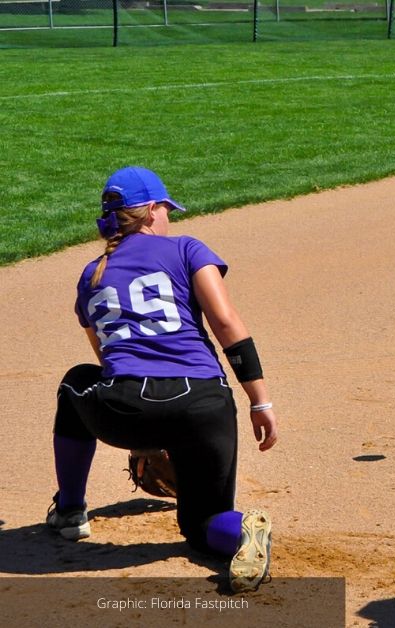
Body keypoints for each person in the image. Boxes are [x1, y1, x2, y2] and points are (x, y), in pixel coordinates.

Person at [47, 166, 281, 592]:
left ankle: (70, 511)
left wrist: (143, 430)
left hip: (124, 409)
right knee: (201, 523)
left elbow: (107, 356)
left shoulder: (91, 274)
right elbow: (227, 324)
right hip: (204, 406)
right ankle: (242, 530)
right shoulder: (188, 249)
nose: (170, 217)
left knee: (76, 382)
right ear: (152, 210)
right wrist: (259, 400)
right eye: (167, 209)